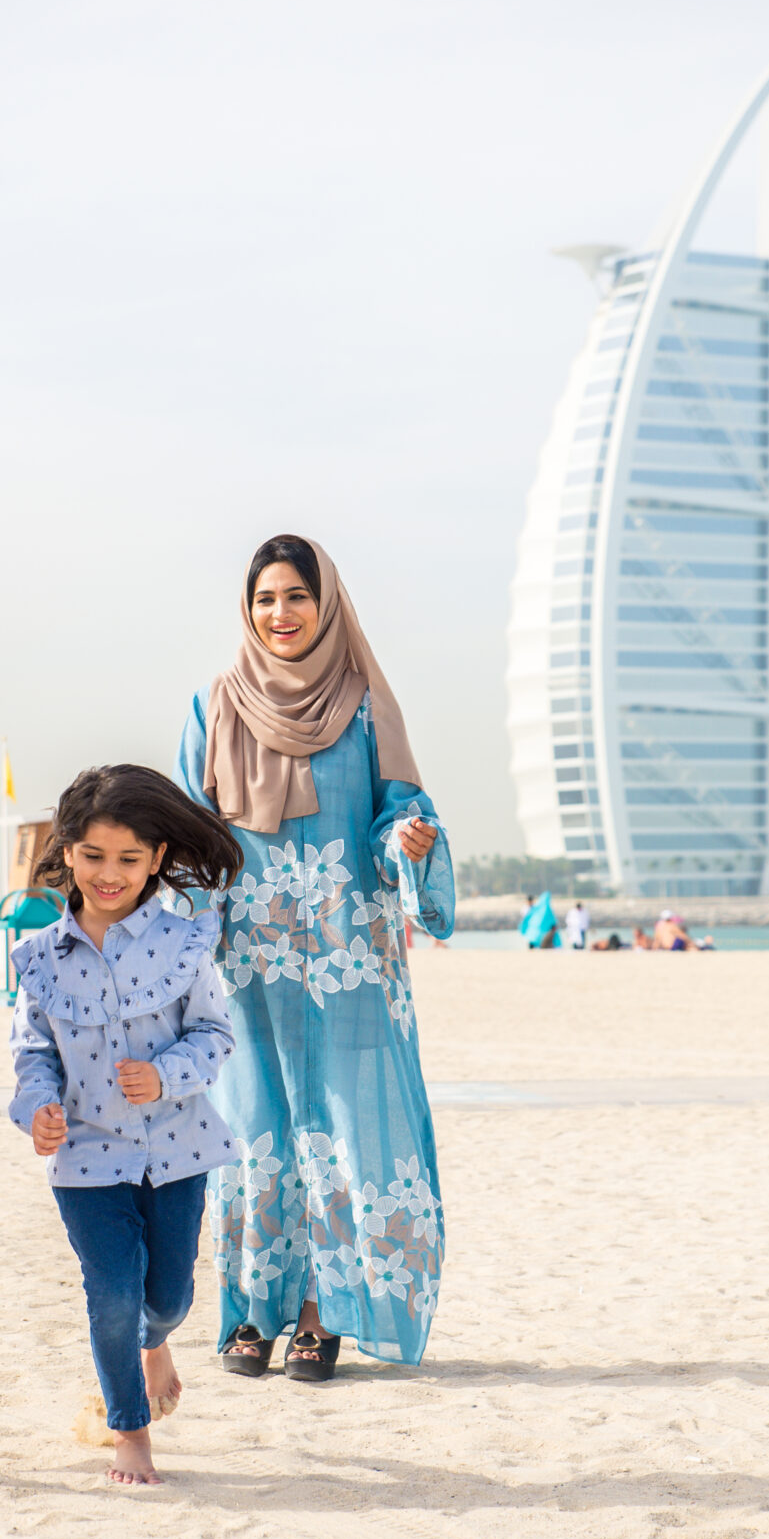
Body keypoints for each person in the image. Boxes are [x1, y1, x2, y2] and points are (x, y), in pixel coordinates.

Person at [178, 534, 453, 1382]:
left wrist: (406, 838)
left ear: (326, 604)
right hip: (250, 956)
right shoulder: (214, 704)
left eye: (298, 596)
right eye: (266, 599)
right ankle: (255, 1309)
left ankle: (320, 1312)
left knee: (341, 1129)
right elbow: (192, 830)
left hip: (347, 954)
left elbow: (395, 812)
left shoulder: (366, 706)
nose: (281, 614)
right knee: (255, 1127)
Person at [8, 765, 244, 1486]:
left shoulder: (184, 944)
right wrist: (38, 1109)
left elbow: (214, 1033)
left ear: (158, 860)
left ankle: (156, 1341)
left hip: (179, 1152)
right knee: (111, 1289)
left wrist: (167, 1072)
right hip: (85, 1161)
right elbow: (31, 1052)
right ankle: (130, 1430)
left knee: (169, 1296)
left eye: (130, 859)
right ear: (68, 850)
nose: (109, 874)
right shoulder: (40, 959)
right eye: (94, 855)